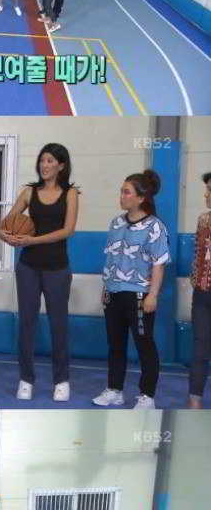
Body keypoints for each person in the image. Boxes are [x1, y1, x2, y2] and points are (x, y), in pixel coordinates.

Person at [0, 144, 79, 402]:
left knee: (59, 325)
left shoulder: (70, 193)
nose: (45, 165)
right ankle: (26, 379)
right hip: (28, 268)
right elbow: (1, 227)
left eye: (50, 161)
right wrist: (7, 236)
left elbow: (68, 230)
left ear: (61, 166)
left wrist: (32, 240)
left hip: (57, 268)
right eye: (42, 160)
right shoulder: (29, 192)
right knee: (27, 323)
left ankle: (61, 380)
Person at [93, 169, 170, 409]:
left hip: (138, 295)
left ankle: (147, 396)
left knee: (144, 344)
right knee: (115, 344)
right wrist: (106, 287)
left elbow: (159, 264)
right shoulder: (116, 223)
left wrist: (152, 295)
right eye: (121, 191)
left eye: (127, 192)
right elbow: (111, 258)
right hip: (113, 293)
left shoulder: (155, 227)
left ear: (141, 198)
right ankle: (115, 390)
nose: (122, 196)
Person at [188, 171, 211, 408]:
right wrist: (196, 280)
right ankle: (194, 401)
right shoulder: (203, 220)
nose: (206, 195)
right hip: (203, 294)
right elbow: (198, 254)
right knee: (200, 348)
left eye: (210, 190)